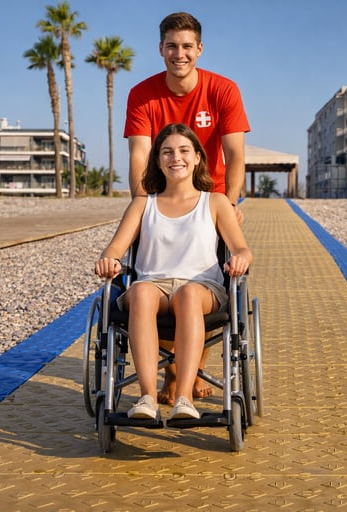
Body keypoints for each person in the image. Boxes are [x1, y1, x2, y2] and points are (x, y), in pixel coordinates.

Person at [124, 11, 250, 404]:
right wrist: (142, 208)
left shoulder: (223, 90)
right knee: (158, 276)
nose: (180, 54)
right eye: (172, 46)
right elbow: (139, 156)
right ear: (161, 50)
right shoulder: (142, 94)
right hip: (162, 195)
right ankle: (167, 380)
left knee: (200, 276)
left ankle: (189, 377)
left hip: (209, 196)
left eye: (187, 46)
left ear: (199, 49)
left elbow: (235, 154)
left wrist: (227, 204)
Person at [95, 123, 252, 420]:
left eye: (183, 151)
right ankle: (148, 399)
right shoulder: (143, 204)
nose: (175, 158)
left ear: (196, 157)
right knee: (140, 292)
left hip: (202, 288)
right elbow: (115, 248)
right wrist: (109, 260)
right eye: (166, 152)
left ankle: (184, 397)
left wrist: (240, 260)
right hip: (153, 286)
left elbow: (242, 249)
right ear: (157, 160)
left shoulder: (215, 202)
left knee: (188, 294)